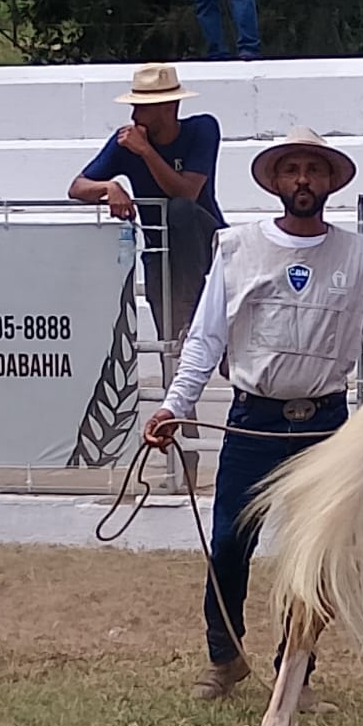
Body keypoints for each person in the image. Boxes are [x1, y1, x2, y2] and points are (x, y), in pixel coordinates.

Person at [142, 126, 363, 705]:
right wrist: (172, 407)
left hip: (326, 426)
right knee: (230, 542)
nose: (303, 180)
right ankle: (224, 657)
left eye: (314, 169)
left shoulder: (356, 254)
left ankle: (295, 674)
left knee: (315, 556)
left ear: (331, 181)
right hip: (252, 421)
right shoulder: (235, 248)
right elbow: (206, 340)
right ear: (277, 181)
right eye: (292, 170)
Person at [68, 63, 225, 481]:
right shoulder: (127, 141)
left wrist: (144, 153)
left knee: (178, 211)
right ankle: (184, 452)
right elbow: (76, 186)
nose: (139, 113)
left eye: (149, 105)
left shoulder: (202, 129)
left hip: (208, 249)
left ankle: (194, 319)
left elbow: (187, 192)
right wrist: (109, 187)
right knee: (177, 356)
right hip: (163, 258)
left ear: (169, 107)